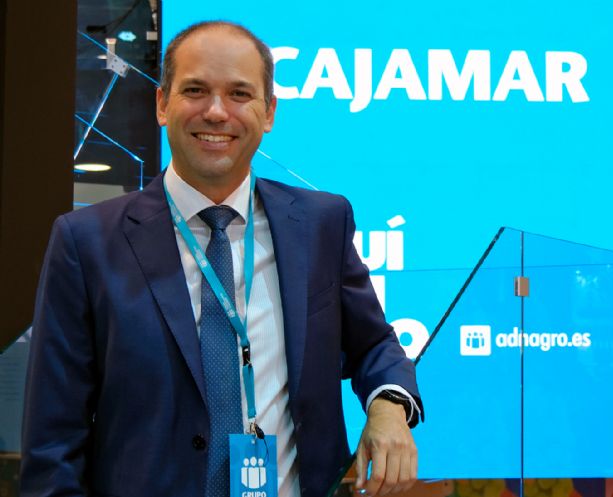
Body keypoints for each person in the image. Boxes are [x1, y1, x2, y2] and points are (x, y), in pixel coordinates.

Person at [21, 21, 422, 497]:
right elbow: (53, 443)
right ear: (162, 104)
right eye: (195, 90)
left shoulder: (321, 224)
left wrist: (388, 407)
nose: (216, 112)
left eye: (239, 94)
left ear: (268, 112)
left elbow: (373, 343)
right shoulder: (86, 241)